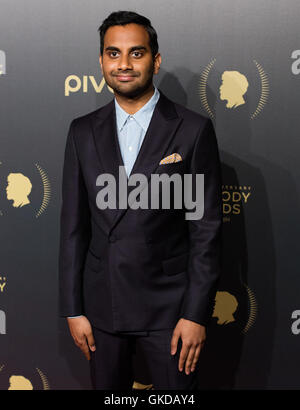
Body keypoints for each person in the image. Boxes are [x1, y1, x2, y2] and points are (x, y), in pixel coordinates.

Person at [59, 10, 222, 390]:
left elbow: (205, 231)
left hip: (170, 310)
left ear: (155, 59)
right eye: (113, 54)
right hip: (103, 307)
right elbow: (72, 229)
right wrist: (73, 308)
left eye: (137, 53)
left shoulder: (193, 130)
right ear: (101, 61)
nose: (124, 64)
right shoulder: (82, 131)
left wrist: (195, 315)